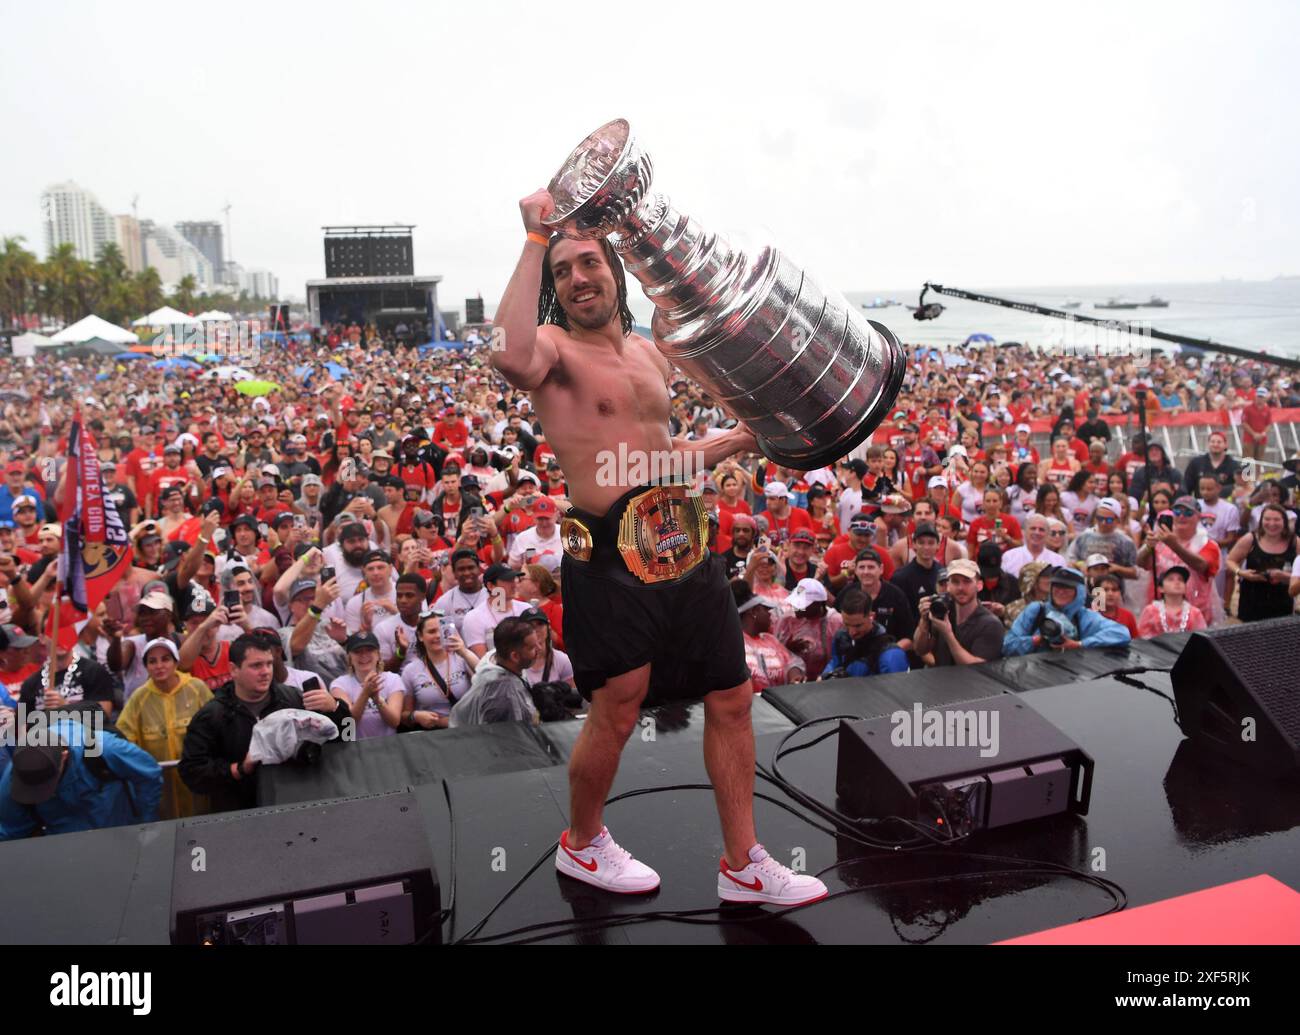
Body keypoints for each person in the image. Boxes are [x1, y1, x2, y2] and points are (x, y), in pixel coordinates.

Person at [494, 192, 825, 904]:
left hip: (685, 542)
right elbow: (509, 353)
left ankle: (744, 863)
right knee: (619, 704)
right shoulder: (554, 351)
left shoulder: (648, 353)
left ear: (614, 271)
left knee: (733, 696)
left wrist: (736, 439)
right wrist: (533, 236)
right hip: (610, 555)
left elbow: (661, 454)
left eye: (589, 262)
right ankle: (582, 846)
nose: (580, 277)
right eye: (564, 271)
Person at [179, 633, 351, 812]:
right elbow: (191, 772)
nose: (266, 672)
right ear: (233, 669)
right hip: (242, 817)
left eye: (269, 663)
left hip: (299, 807)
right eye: (256, 665)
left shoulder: (295, 699)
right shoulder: (212, 716)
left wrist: (336, 709)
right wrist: (238, 769)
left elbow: (349, 737)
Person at [0, 718, 163, 840]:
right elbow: (10, 831)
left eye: (47, 782)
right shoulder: (16, 776)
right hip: (64, 849)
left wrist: (145, 824)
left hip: (120, 832)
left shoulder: (104, 748)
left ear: (64, 757)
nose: (44, 790)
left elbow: (149, 773)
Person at [114, 638, 213, 820]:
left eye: (165, 659)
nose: (159, 666)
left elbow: (215, 728)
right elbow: (123, 739)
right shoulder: (139, 698)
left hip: (197, 785)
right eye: (152, 661)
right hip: (160, 788)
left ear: (176, 662)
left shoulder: (197, 688)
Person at [1003, 566, 1131, 656]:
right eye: (1057, 586)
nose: (1061, 591)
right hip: (1031, 676)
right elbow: (1007, 645)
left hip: (1070, 678)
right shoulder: (1036, 610)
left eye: (1067, 588)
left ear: (1079, 592)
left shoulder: (1084, 616)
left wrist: (1079, 644)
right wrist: (1036, 640)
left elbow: (1122, 634)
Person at [1137, 495, 1223, 626]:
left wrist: (1174, 545)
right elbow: (1141, 563)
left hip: (1195, 614)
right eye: (1177, 512)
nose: (1182, 516)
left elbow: (1202, 566)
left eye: (1188, 512)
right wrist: (1148, 546)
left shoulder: (1207, 543)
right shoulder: (1160, 538)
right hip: (1158, 612)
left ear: (1198, 517)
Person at [448, 616, 539, 728]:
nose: (539, 649)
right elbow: (507, 739)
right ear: (514, 656)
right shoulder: (503, 695)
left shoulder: (496, 658)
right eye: (532, 648)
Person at [912, 559, 1005, 666]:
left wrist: (948, 634)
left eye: (967, 581)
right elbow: (920, 650)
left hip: (973, 682)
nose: (961, 588)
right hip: (940, 680)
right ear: (948, 586)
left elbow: (977, 669)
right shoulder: (942, 612)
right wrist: (924, 621)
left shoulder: (990, 624)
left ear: (979, 585)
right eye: (955, 581)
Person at [401, 610, 479, 730]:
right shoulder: (410, 671)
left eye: (441, 630)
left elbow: (485, 675)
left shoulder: (461, 658)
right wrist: (415, 716)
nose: (438, 635)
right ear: (420, 636)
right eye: (431, 632)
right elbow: (404, 716)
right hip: (433, 735)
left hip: (466, 728)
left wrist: (464, 651)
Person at [1225, 503, 1298, 623]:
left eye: (1276, 520)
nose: (1271, 524)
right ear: (1261, 521)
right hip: (1252, 597)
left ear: (1284, 521)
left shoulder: (1294, 542)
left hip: (1282, 599)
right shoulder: (1251, 539)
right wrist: (1241, 572)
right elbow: (1230, 560)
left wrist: (1284, 576)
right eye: (1267, 519)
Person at [330, 632, 405, 739]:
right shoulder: (339, 685)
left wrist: (377, 699)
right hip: (355, 749)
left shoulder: (393, 679)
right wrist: (365, 694)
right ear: (349, 658)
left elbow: (394, 722)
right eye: (357, 651)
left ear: (378, 655)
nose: (364, 655)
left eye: (369, 650)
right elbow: (349, 723)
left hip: (388, 747)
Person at [820, 588, 909, 677]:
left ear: (871, 616)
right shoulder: (841, 637)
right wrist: (825, 676)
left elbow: (896, 688)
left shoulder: (891, 655)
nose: (852, 632)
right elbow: (835, 662)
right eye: (847, 624)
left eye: (858, 626)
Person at [734, 583, 806, 692]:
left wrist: (794, 674)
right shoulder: (735, 642)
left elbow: (793, 662)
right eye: (766, 610)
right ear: (754, 612)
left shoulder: (770, 640)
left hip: (778, 704)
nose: (770, 615)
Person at [775, 578, 843, 678]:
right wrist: (788, 649)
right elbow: (775, 652)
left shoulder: (835, 621)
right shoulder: (788, 620)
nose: (796, 607)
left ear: (818, 604)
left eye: (802, 604)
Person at [1137, 566, 1209, 638]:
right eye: (1170, 579)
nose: (1177, 582)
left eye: (1181, 580)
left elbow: (1202, 640)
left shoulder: (1195, 613)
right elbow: (1141, 639)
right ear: (1161, 588)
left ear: (1185, 588)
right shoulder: (1150, 611)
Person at [1001, 513, 1067, 579]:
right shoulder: (1009, 556)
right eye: (1033, 528)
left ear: (1047, 534)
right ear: (1025, 532)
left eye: (1041, 529)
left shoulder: (1058, 560)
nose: (1037, 532)